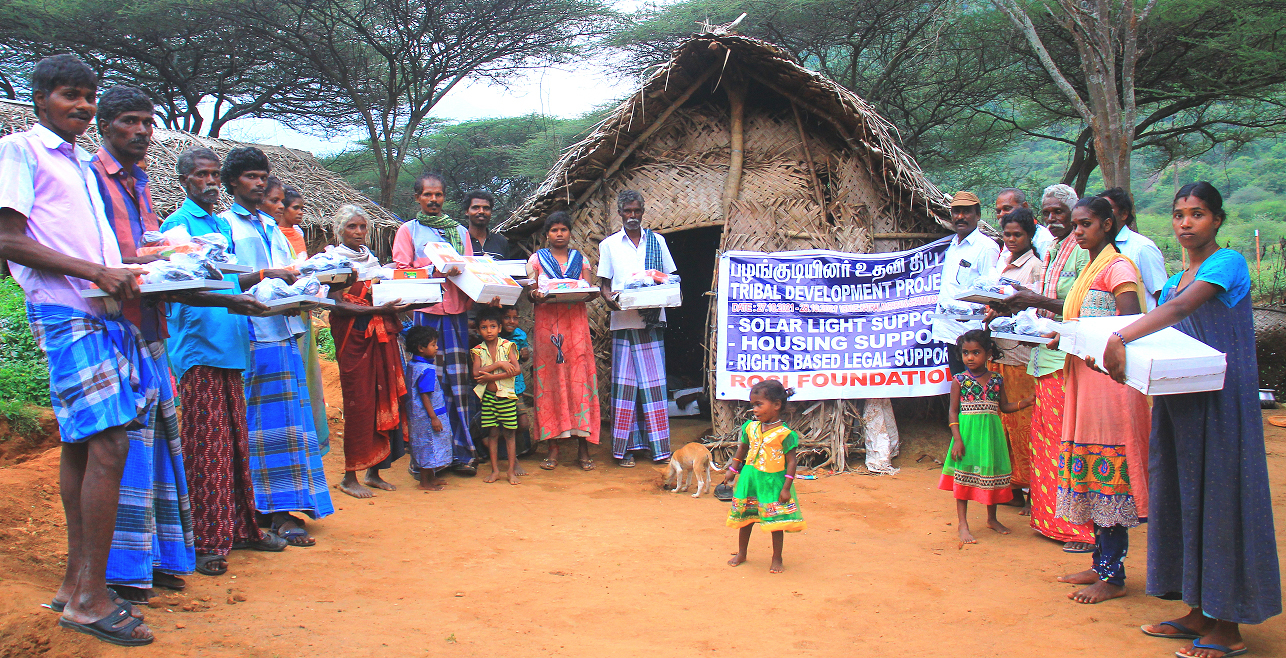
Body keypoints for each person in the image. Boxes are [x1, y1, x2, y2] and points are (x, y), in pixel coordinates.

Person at [0, 54, 160, 646]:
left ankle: (75, 585)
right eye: (71, 95)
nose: (84, 107)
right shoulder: (22, 150)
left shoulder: (77, 165)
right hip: (65, 310)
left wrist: (133, 265)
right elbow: (8, 238)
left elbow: (79, 239)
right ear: (40, 98)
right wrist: (96, 270)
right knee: (111, 442)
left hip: (98, 309)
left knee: (80, 444)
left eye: (90, 96)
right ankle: (91, 599)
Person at [1104, 183, 1280, 658]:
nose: (1185, 223)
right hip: (1181, 400)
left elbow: (1178, 310)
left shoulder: (1227, 264)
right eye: (1179, 214)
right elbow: (1165, 315)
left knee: (1223, 500)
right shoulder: (1178, 275)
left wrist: (1120, 337)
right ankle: (1198, 610)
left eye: (1197, 214)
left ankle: (1228, 626)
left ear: (1217, 220)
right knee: (1184, 497)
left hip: (1222, 403)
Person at [88, 85, 198, 603]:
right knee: (126, 449)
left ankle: (150, 560)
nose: (141, 132)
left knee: (157, 448)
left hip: (151, 325)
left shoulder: (140, 182)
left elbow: (143, 247)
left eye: (147, 123)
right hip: (113, 327)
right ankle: (119, 571)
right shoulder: (92, 179)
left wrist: (178, 253)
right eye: (130, 121)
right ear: (105, 124)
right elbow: (108, 253)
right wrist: (162, 256)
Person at [162, 147, 285, 577]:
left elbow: (230, 278)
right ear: (184, 181)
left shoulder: (218, 226)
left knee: (234, 444)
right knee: (206, 447)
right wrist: (235, 298)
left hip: (231, 344)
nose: (210, 182)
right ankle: (207, 542)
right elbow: (182, 288)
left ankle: (242, 528)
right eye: (202, 175)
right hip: (200, 348)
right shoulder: (178, 227)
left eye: (215, 174)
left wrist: (270, 277)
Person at [221, 147, 333, 546]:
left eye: (262, 176)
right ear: (232, 181)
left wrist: (309, 281)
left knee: (289, 425)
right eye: (250, 176)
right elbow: (224, 283)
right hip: (252, 336)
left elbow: (289, 274)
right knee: (262, 428)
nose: (258, 183)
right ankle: (264, 510)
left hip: (284, 332)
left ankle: (285, 507)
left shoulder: (271, 228)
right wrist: (270, 276)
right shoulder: (225, 227)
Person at [1049, 196, 1150, 605]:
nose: (1077, 232)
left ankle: (1114, 575)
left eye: (1085, 224)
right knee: (1090, 470)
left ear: (1108, 224)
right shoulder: (1089, 268)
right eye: (1075, 225)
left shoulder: (1119, 267)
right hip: (1085, 380)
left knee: (1109, 472)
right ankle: (1100, 561)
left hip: (1110, 388)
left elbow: (1128, 326)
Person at [999, 183, 1094, 553]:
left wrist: (1036, 301)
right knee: (1047, 441)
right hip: (1045, 356)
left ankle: (1078, 528)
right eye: (1048, 212)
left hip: (1071, 359)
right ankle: (1050, 520)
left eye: (1060, 212)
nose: (1053, 218)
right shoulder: (1055, 250)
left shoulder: (1089, 255)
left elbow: (1081, 304)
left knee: (1068, 444)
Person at [392, 173, 479, 474]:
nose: (433, 200)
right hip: (426, 313)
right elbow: (402, 271)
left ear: (444, 197)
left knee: (457, 385)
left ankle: (462, 453)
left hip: (455, 313)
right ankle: (429, 459)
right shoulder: (408, 231)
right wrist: (432, 268)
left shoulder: (458, 231)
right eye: (427, 195)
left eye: (439, 195)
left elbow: (470, 271)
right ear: (417, 197)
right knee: (427, 385)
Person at [326, 205, 411, 498]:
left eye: (363, 227)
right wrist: (377, 307)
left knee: (381, 397)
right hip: (355, 339)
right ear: (340, 230)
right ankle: (350, 476)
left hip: (380, 336)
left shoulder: (373, 261)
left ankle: (374, 471)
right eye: (352, 227)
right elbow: (337, 305)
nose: (359, 232)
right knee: (359, 402)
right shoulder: (333, 262)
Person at [597, 190, 676, 467]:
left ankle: (658, 449)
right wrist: (612, 302)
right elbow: (604, 285)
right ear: (619, 213)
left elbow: (669, 278)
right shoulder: (609, 245)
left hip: (652, 321)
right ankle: (624, 449)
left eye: (636, 211)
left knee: (653, 387)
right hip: (623, 322)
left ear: (643, 212)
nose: (632, 216)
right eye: (627, 211)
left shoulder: (658, 242)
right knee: (625, 387)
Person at [941, 329, 1034, 544]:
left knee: (990, 476)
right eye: (965, 353)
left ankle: (992, 519)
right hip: (968, 436)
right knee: (963, 478)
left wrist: (1025, 403)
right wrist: (957, 439)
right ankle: (962, 523)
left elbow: (1004, 407)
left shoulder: (997, 379)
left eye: (976, 353)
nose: (970, 358)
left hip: (992, 436)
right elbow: (953, 412)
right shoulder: (959, 380)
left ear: (988, 354)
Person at [527, 211, 601, 470]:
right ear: (546, 234)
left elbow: (590, 292)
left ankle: (583, 448)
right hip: (548, 329)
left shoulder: (581, 261)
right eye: (554, 230)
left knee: (579, 380)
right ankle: (553, 448)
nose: (559, 234)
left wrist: (586, 293)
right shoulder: (536, 261)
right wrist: (538, 295)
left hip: (576, 328)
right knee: (551, 382)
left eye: (563, 229)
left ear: (570, 232)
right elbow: (531, 293)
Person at [262, 179, 329, 455]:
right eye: (279, 203)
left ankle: (304, 441)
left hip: (296, 314)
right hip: (268, 322)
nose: (282, 208)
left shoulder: (289, 235)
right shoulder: (265, 232)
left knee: (300, 376)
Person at [991, 208, 1044, 512]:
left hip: (1020, 358)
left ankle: (1034, 488)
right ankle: (1012, 486)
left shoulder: (1034, 267)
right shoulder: (1006, 265)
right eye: (1007, 235)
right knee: (1004, 426)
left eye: (1017, 235)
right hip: (1001, 353)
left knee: (1024, 426)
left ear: (1029, 235)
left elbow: (1034, 310)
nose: (1011, 240)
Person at [723, 379, 806, 573]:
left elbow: (792, 462)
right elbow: (742, 448)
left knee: (775, 520)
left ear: (776, 405)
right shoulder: (750, 428)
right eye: (753, 405)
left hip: (772, 482)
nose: (755, 409)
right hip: (750, 479)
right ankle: (742, 553)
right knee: (747, 517)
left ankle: (777, 558)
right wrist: (733, 469)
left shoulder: (785, 434)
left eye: (759, 404)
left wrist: (786, 487)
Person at [931, 191, 1000, 373]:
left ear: (977, 215)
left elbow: (991, 291)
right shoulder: (953, 245)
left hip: (972, 333)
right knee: (959, 383)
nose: (960, 217)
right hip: (949, 330)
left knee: (976, 387)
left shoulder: (986, 247)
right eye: (956, 212)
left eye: (966, 212)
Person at [471, 307, 522, 484]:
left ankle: (510, 471)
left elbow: (516, 369)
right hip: (488, 399)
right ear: (478, 330)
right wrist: (498, 364)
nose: (489, 331)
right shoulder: (478, 350)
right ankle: (495, 470)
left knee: (509, 434)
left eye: (492, 326)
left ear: (499, 328)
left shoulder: (508, 346)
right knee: (492, 434)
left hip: (506, 397)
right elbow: (476, 373)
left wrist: (492, 376)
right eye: (484, 327)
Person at [1099, 187, 1168, 310]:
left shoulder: (1142, 248)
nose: (1101, 216)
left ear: (1124, 214)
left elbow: (1161, 295)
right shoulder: (1099, 248)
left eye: (1108, 210)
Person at [404, 325, 453, 491]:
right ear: (421, 348)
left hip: (417, 415)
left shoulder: (413, 365)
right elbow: (425, 394)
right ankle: (425, 482)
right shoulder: (427, 370)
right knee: (429, 446)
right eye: (433, 345)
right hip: (427, 416)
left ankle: (432, 477)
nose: (436, 347)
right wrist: (433, 417)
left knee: (427, 445)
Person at [500, 306, 533, 455]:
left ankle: (496, 440)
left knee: (523, 423)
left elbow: (523, 358)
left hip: (516, 387)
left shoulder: (520, 335)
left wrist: (524, 355)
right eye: (507, 317)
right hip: (498, 387)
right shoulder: (495, 335)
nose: (511, 321)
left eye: (515, 318)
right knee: (503, 421)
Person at [996, 187, 1054, 257]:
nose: (1002, 214)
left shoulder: (1043, 240)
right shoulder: (1010, 239)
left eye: (1007, 208)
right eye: (998, 211)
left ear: (1024, 206)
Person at [463, 190, 508, 260]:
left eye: (486, 208)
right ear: (467, 211)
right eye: (476, 207)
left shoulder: (501, 242)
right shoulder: (460, 240)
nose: (481, 211)